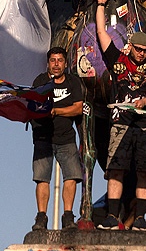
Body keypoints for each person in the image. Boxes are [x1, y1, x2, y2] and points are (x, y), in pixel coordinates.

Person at [94, 0, 146, 231]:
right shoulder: (117, 61)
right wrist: (101, 5)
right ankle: (112, 217)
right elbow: (102, 33)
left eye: (145, 51)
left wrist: (145, 103)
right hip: (121, 122)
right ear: (131, 47)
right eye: (138, 49)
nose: (142, 54)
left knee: (145, 172)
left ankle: (139, 219)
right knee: (116, 169)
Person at [30, 47, 85, 231]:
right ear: (48, 63)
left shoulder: (73, 82)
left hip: (66, 137)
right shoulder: (40, 80)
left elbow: (78, 108)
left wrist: (57, 111)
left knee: (72, 176)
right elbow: (33, 103)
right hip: (43, 136)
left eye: (59, 60)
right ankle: (41, 216)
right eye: (53, 60)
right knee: (42, 178)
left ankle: (68, 216)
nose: (56, 64)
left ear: (65, 63)